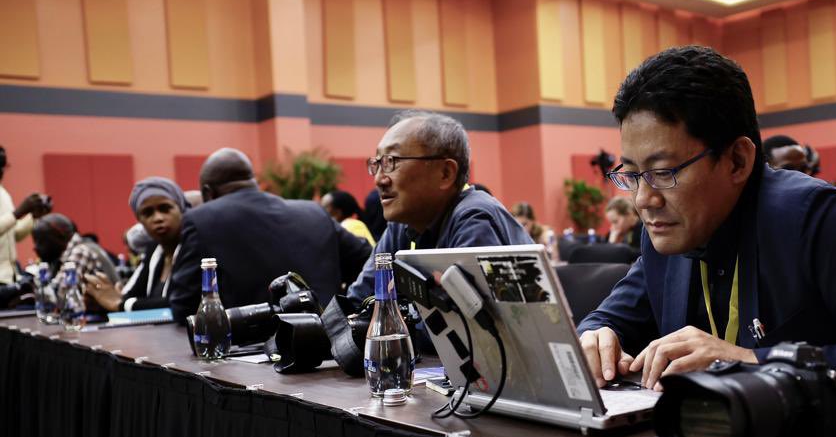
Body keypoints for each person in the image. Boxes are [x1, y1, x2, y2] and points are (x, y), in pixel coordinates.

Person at [575, 46, 836, 391]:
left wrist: (754, 360)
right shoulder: (666, 232)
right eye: (631, 174)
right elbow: (606, 320)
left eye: (664, 172)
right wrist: (596, 337)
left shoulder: (819, 219)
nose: (644, 199)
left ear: (737, 160)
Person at [347, 111, 532, 303]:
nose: (379, 180)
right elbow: (357, 301)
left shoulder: (474, 218)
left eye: (392, 162)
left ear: (445, 173)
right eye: (377, 164)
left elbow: (471, 326)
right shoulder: (403, 225)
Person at [169, 148, 372, 318]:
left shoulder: (200, 220)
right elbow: (367, 261)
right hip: (329, 344)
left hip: (246, 353)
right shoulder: (314, 212)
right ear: (252, 179)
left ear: (207, 192)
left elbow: (183, 306)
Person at [85, 177, 188, 313]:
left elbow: (180, 301)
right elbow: (129, 295)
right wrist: (99, 300)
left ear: (180, 209)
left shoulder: (193, 248)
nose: (158, 218)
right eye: (148, 213)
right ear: (140, 220)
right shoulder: (154, 250)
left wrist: (121, 304)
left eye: (165, 208)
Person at [32, 213, 118, 313]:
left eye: (41, 241)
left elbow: (59, 298)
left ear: (61, 238)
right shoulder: (60, 256)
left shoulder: (81, 251)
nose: (36, 247)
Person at [0, 146, 51, 284]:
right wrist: (17, 214)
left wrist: (33, 215)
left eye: (3, 164)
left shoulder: (3, 193)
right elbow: (12, 219)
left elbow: (14, 234)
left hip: (9, 277)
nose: (1, 170)